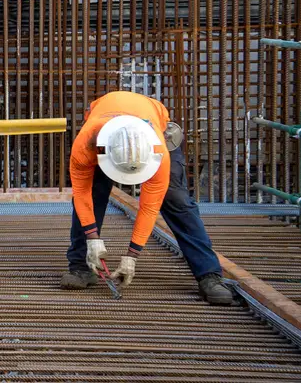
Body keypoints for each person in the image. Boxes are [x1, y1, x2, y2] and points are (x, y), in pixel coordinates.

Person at [60, 90, 233, 305]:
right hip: (104, 131)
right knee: (91, 196)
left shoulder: (160, 154)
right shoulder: (86, 144)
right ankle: (81, 267)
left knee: (176, 201)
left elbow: (150, 207)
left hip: (153, 127)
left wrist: (132, 255)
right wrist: (92, 239)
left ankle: (209, 275)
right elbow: (81, 195)